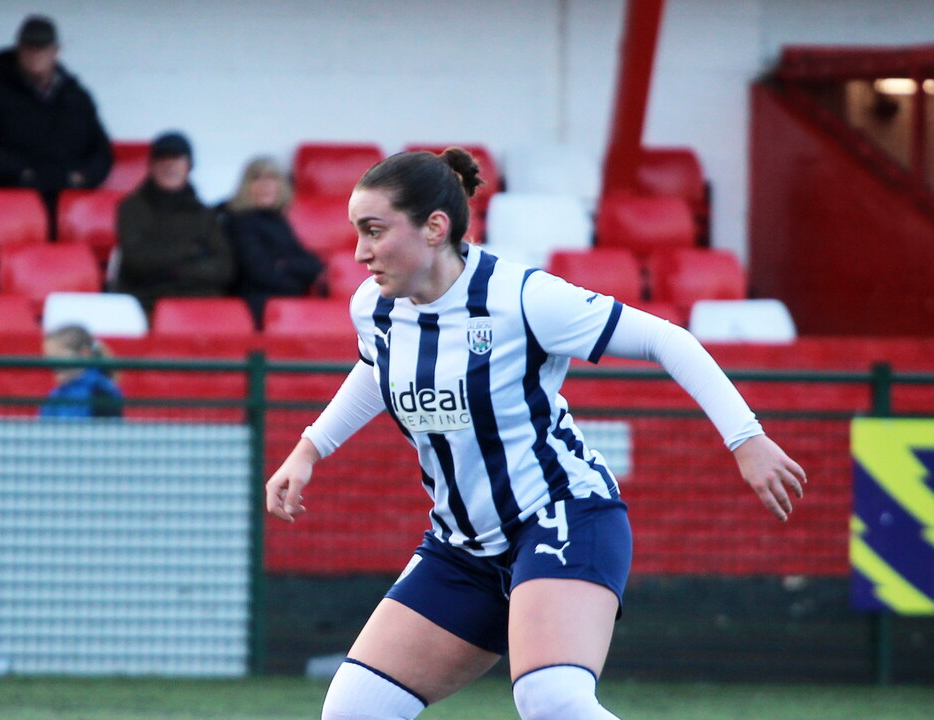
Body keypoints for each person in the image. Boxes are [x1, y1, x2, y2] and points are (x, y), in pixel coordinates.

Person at [265, 149, 807, 720]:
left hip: (563, 518)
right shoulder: (375, 309)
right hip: (463, 548)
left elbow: (666, 339)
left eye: (374, 231)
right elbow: (378, 369)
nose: (359, 252)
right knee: (353, 711)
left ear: (435, 227)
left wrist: (746, 438)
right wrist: (310, 448)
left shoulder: (522, 297)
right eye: (357, 232)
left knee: (552, 700)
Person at [0, 15, 113, 237]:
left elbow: (101, 152)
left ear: (56, 51)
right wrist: (21, 173)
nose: (35, 54)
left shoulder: (77, 97)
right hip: (9, 209)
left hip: (70, 208)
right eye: (29, 48)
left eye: (42, 48)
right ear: (18, 50)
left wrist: (82, 177)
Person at [114, 131, 235, 315]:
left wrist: (173, 271)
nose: (169, 165)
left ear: (189, 165)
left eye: (176, 158)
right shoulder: (132, 208)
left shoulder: (203, 213)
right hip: (148, 304)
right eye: (162, 158)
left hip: (201, 304)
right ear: (152, 165)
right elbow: (137, 261)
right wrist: (192, 251)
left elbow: (223, 269)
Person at [223, 156, 324, 326]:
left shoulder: (279, 222)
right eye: (256, 178)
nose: (265, 185)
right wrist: (295, 273)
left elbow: (313, 266)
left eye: (271, 178)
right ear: (245, 186)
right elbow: (260, 272)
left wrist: (285, 264)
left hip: (288, 306)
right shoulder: (239, 222)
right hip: (256, 310)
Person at [40, 324, 123, 418]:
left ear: (84, 353)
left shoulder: (100, 390)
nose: (52, 366)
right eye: (49, 359)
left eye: (58, 357)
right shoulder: (57, 393)